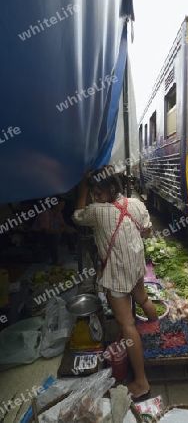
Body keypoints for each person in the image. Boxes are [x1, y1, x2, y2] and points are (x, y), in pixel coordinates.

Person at [72, 168, 158, 400]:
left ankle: (141, 382)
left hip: (117, 274)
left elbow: (77, 216)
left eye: (97, 193)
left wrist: (82, 189)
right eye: (92, 194)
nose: (95, 197)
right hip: (136, 267)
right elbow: (148, 232)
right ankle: (157, 333)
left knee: (127, 324)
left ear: (111, 189)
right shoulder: (136, 203)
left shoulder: (97, 212)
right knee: (143, 299)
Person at [32, 197, 76, 265]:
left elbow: (62, 223)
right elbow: (46, 230)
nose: (62, 207)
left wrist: (68, 228)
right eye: (61, 206)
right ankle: (55, 260)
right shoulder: (45, 213)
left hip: (51, 230)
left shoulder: (58, 212)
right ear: (54, 204)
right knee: (53, 237)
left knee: (70, 230)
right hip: (39, 234)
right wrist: (63, 229)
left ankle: (72, 249)